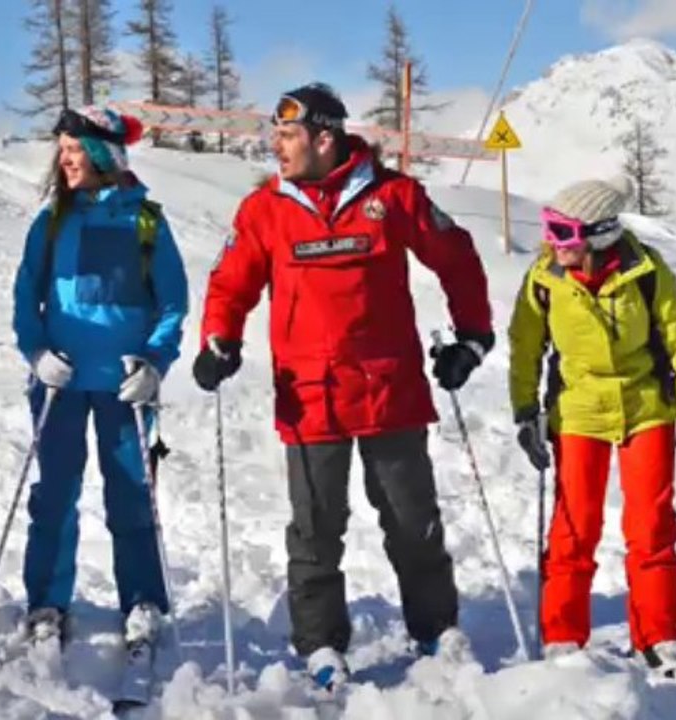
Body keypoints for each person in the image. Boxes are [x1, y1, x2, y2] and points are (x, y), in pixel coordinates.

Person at [191, 83, 494, 690]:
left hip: (390, 390)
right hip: (309, 396)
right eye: (274, 134)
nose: (275, 146)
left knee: (412, 521)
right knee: (315, 529)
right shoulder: (264, 210)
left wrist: (472, 338)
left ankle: (435, 629)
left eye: (287, 134)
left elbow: (456, 256)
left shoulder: (392, 196)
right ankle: (322, 644)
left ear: (323, 138)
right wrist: (219, 338)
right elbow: (232, 283)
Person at [507, 175, 676, 679]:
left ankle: (659, 639)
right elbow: (524, 347)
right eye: (548, 229)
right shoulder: (545, 278)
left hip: (645, 407)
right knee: (574, 529)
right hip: (578, 411)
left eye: (562, 231)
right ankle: (563, 638)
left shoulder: (647, 272)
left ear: (596, 235)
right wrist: (524, 412)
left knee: (651, 529)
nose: (551, 242)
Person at [11, 105, 188, 650]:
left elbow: (173, 303)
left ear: (102, 155)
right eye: (61, 152)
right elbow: (26, 294)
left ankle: (143, 602)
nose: (65, 161)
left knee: (132, 496)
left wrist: (156, 362)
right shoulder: (53, 220)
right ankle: (46, 602)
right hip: (60, 384)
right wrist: (36, 350)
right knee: (55, 497)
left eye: (74, 151)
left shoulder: (146, 221)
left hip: (125, 386)